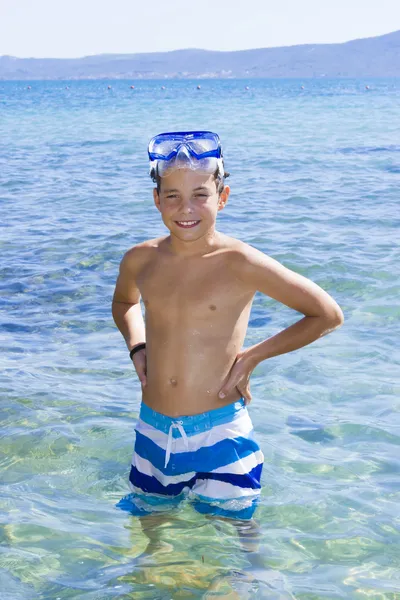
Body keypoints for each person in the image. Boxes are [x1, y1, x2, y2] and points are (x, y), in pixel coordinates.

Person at [112, 131, 344, 521]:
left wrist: (252, 357)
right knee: (151, 547)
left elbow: (326, 314)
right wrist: (137, 346)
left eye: (200, 194)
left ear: (222, 197)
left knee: (234, 551)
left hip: (221, 432)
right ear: (157, 200)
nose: (186, 208)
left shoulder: (240, 262)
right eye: (173, 195)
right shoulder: (140, 259)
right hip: (153, 431)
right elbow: (124, 303)